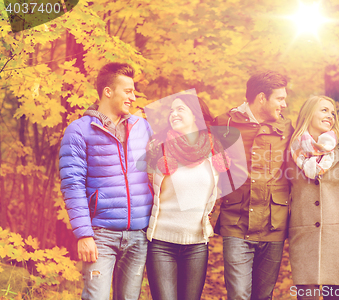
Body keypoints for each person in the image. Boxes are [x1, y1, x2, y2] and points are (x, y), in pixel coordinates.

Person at [59, 62, 153, 299]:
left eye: (134, 91)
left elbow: (159, 173)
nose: (133, 97)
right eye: (128, 91)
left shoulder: (143, 127)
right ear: (108, 91)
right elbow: (72, 185)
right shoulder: (79, 130)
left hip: (139, 234)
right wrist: (84, 234)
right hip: (100, 234)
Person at [213, 70, 293, 300]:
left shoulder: (287, 128)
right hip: (236, 224)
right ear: (261, 98)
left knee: (263, 296)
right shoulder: (224, 124)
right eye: (279, 98)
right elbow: (209, 167)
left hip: (273, 225)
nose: (284, 104)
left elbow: (315, 145)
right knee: (239, 295)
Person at [145, 94, 230, 300]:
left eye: (180, 109)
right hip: (161, 244)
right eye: (171, 110)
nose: (173, 114)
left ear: (196, 115)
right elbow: (145, 190)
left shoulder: (213, 151)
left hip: (196, 246)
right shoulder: (158, 148)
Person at [288, 95, 339, 300]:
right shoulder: (291, 152)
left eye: (332, 112)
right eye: (324, 110)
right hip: (303, 237)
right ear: (308, 114)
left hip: (337, 239)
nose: (330, 116)